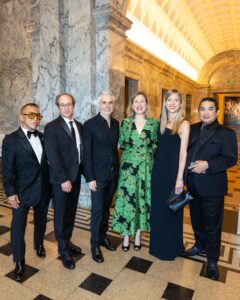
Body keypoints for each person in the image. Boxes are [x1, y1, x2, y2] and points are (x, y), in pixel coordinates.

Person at [184, 97, 238, 280]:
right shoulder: (191, 129)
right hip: (192, 185)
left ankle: (213, 260)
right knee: (196, 220)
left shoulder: (226, 133)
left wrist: (207, 164)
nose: (206, 112)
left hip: (212, 187)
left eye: (210, 109)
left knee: (213, 226)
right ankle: (200, 245)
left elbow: (231, 159)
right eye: (203, 109)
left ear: (217, 112)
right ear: (198, 111)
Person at [2, 103, 52, 281]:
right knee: (17, 227)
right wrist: (10, 192)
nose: (35, 119)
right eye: (31, 115)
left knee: (41, 221)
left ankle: (39, 245)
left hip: (43, 189)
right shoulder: (11, 139)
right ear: (21, 116)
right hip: (21, 192)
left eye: (38, 116)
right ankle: (19, 261)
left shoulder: (44, 137)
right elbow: (7, 170)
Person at [112, 92, 158, 251]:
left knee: (141, 200)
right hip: (128, 168)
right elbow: (120, 144)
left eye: (142, 101)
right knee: (127, 200)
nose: (139, 104)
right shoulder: (125, 123)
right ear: (131, 105)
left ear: (146, 105)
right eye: (136, 102)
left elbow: (156, 146)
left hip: (146, 168)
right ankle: (126, 236)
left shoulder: (153, 124)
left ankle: (138, 235)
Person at [149, 89, 190, 260]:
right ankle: (157, 246)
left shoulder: (183, 124)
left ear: (180, 104)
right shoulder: (160, 122)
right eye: (169, 100)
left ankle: (170, 248)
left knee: (172, 209)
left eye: (176, 100)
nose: (172, 103)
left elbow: (183, 153)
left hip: (173, 173)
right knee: (158, 210)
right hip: (158, 172)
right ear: (165, 103)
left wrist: (180, 178)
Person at [44, 93, 83, 270]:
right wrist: (63, 179)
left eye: (69, 104)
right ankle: (63, 250)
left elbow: (79, 152)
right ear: (58, 107)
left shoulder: (79, 126)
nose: (66, 108)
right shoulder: (52, 127)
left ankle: (67, 241)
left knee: (70, 213)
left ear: (73, 105)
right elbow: (53, 156)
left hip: (76, 178)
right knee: (60, 215)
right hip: (62, 181)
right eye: (62, 105)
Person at [83, 91, 119, 263]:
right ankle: (95, 244)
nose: (107, 105)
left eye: (110, 102)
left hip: (112, 175)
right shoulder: (90, 124)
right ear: (99, 104)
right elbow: (86, 153)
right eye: (104, 102)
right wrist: (90, 177)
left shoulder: (116, 124)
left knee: (106, 209)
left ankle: (103, 237)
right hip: (97, 176)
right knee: (97, 210)